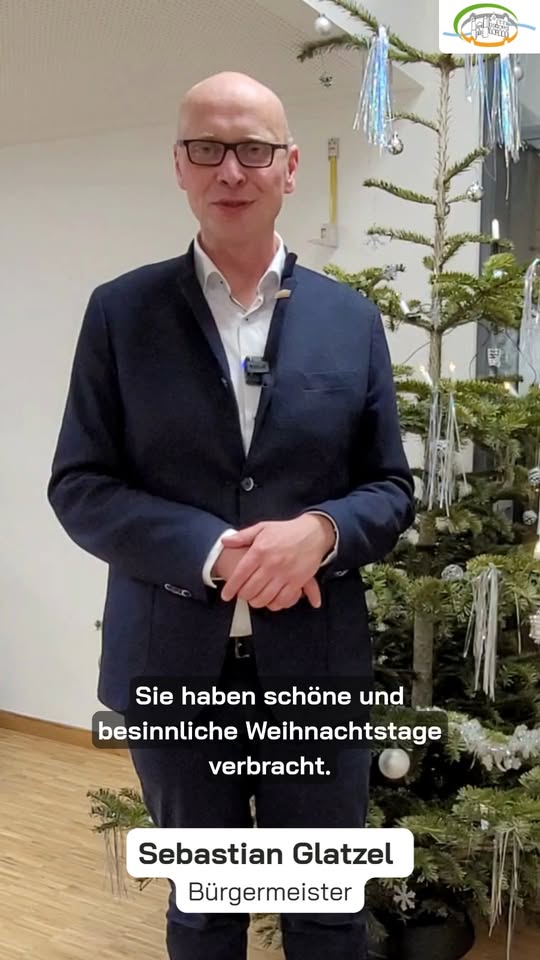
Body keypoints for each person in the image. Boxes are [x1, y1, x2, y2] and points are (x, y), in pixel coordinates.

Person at [48, 71, 415, 960]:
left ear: (290, 166)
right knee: (205, 908)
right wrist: (212, 551)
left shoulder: (351, 320)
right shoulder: (119, 313)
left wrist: (320, 533)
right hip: (172, 669)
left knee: (325, 907)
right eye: (207, 147)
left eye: (253, 148)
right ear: (179, 165)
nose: (231, 169)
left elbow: (390, 488)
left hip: (316, 673)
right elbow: (81, 484)